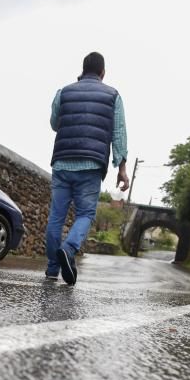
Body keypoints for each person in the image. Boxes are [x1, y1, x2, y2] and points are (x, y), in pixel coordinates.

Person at [45, 52, 129, 285]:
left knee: (56, 217)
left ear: (82, 71)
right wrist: (121, 168)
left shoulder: (64, 92)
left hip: (62, 161)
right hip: (91, 164)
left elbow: (54, 123)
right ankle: (69, 249)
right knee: (85, 214)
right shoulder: (113, 95)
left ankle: (52, 268)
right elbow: (119, 134)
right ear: (103, 73)